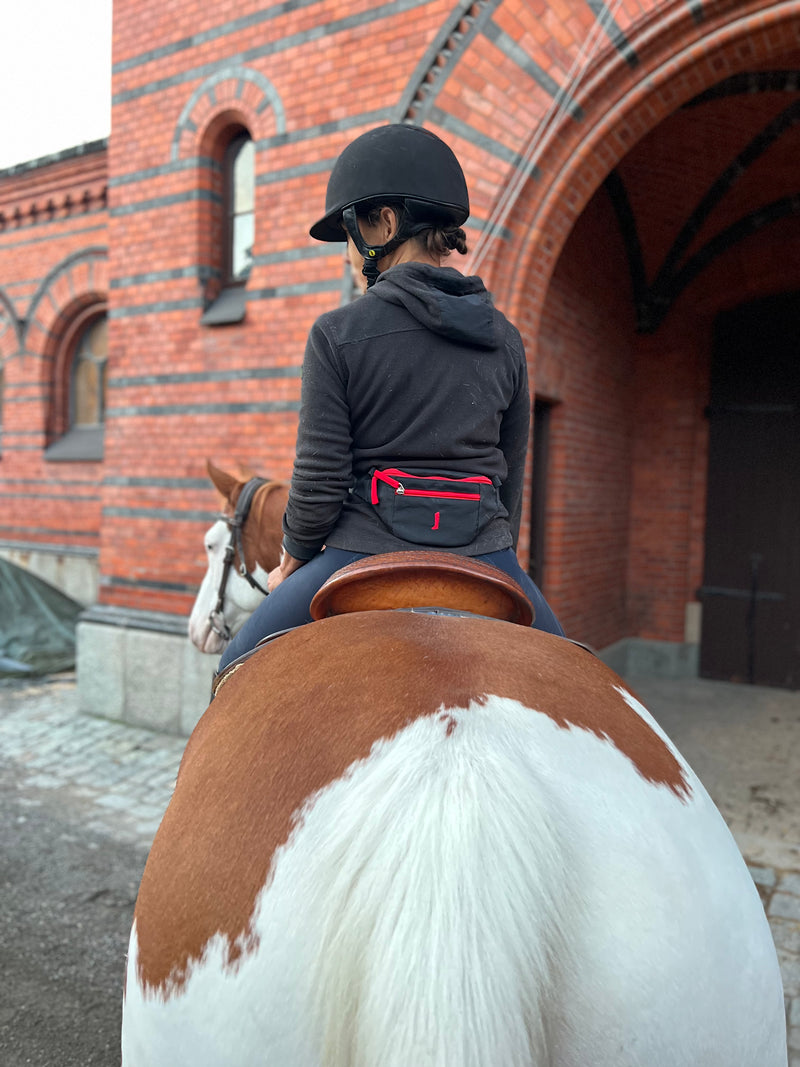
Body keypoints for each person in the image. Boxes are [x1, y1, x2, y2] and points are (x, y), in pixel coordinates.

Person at [217, 123, 563, 675]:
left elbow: (321, 478)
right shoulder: (507, 339)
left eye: (351, 236)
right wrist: (499, 561)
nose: (350, 257)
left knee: (235, 663)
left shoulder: (336, 334)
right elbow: (510, 483)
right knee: (571, 676)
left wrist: (293, 561)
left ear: (384, 223)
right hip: (484, 551)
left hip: (366, 548)